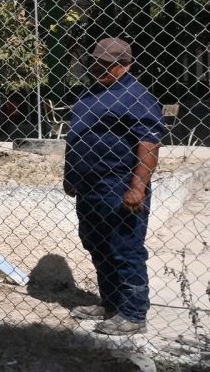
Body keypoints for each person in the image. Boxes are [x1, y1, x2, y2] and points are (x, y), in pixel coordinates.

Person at [64, 37, 164, 336]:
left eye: (108, 65)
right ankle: (110, 303)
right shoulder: (90, 93)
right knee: (97, 245)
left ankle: (133, 314)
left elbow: (149, 142)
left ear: (126, 64)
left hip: (118, 185)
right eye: (95, 62)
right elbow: (77, 138)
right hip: (89, 186)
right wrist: (70, 177)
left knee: (125, 248)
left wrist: (137, 187)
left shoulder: (135, 96)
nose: (99, 68)